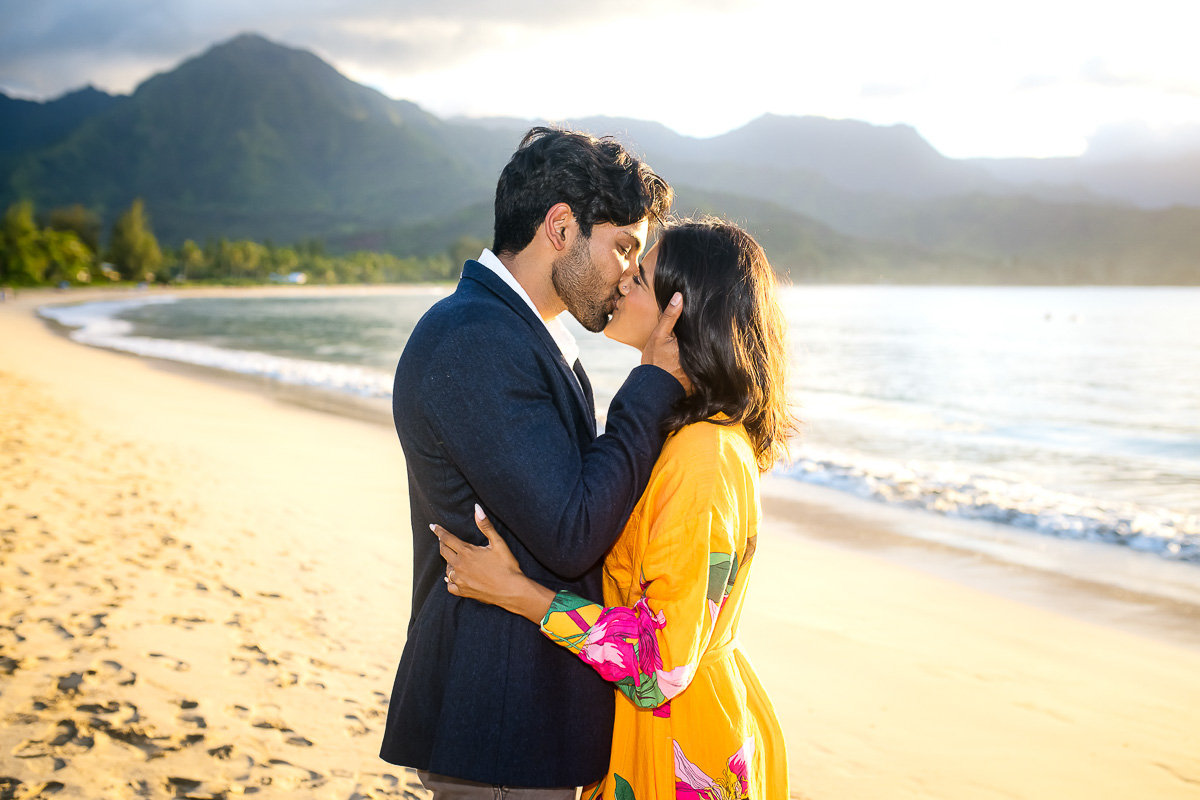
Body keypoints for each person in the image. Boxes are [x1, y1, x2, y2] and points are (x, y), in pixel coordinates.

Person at [435, 220, 794, 800]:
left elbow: (661, 665)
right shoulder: (684, 433)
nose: (625, 280)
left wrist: (517, 593)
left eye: (643, 274)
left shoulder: (703, 455)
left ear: (682, 310)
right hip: (648, 725)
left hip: (678, 740)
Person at [381, 127, 686, 797]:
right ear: (560, 227)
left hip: (520, 718)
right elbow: (572, 528)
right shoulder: (475, 340)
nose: (631, 274)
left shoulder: (521, 335)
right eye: (623, 247)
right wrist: (654, 379)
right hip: (501, 720)